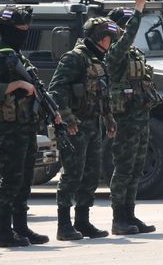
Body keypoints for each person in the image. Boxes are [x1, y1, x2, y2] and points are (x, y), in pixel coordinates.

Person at [0, 5, 49, 248]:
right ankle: (4, 232)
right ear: (7, 31)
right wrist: (18, 85)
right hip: (11, 127)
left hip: (27, 125)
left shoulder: (18, 56)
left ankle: (21, 227)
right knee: (11, 179)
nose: (24, 33)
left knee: (24, 179)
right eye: (20, 29)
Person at [49, 16, 118, 240]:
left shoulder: (97, 60)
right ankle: (64, 225)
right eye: (108, 37)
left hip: (93, 125)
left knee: (91, 175)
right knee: (72, 175)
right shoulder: (74, 58)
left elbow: (102, 93)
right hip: (76, 127)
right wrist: (68, 119)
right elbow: (56, 89)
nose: (110, 42)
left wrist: (108, 118)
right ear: (98, 37)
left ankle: (82, 221)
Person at [106, 0, 158, 235]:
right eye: (125, 25)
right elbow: (125, 39)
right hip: (125, 117)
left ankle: (130, 214)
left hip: (140, 114)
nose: (129, 30)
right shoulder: (114, 52)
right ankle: (119, 218)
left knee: (137, 167)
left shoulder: (134, 53)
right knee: (124, 167)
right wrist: (138, 8)